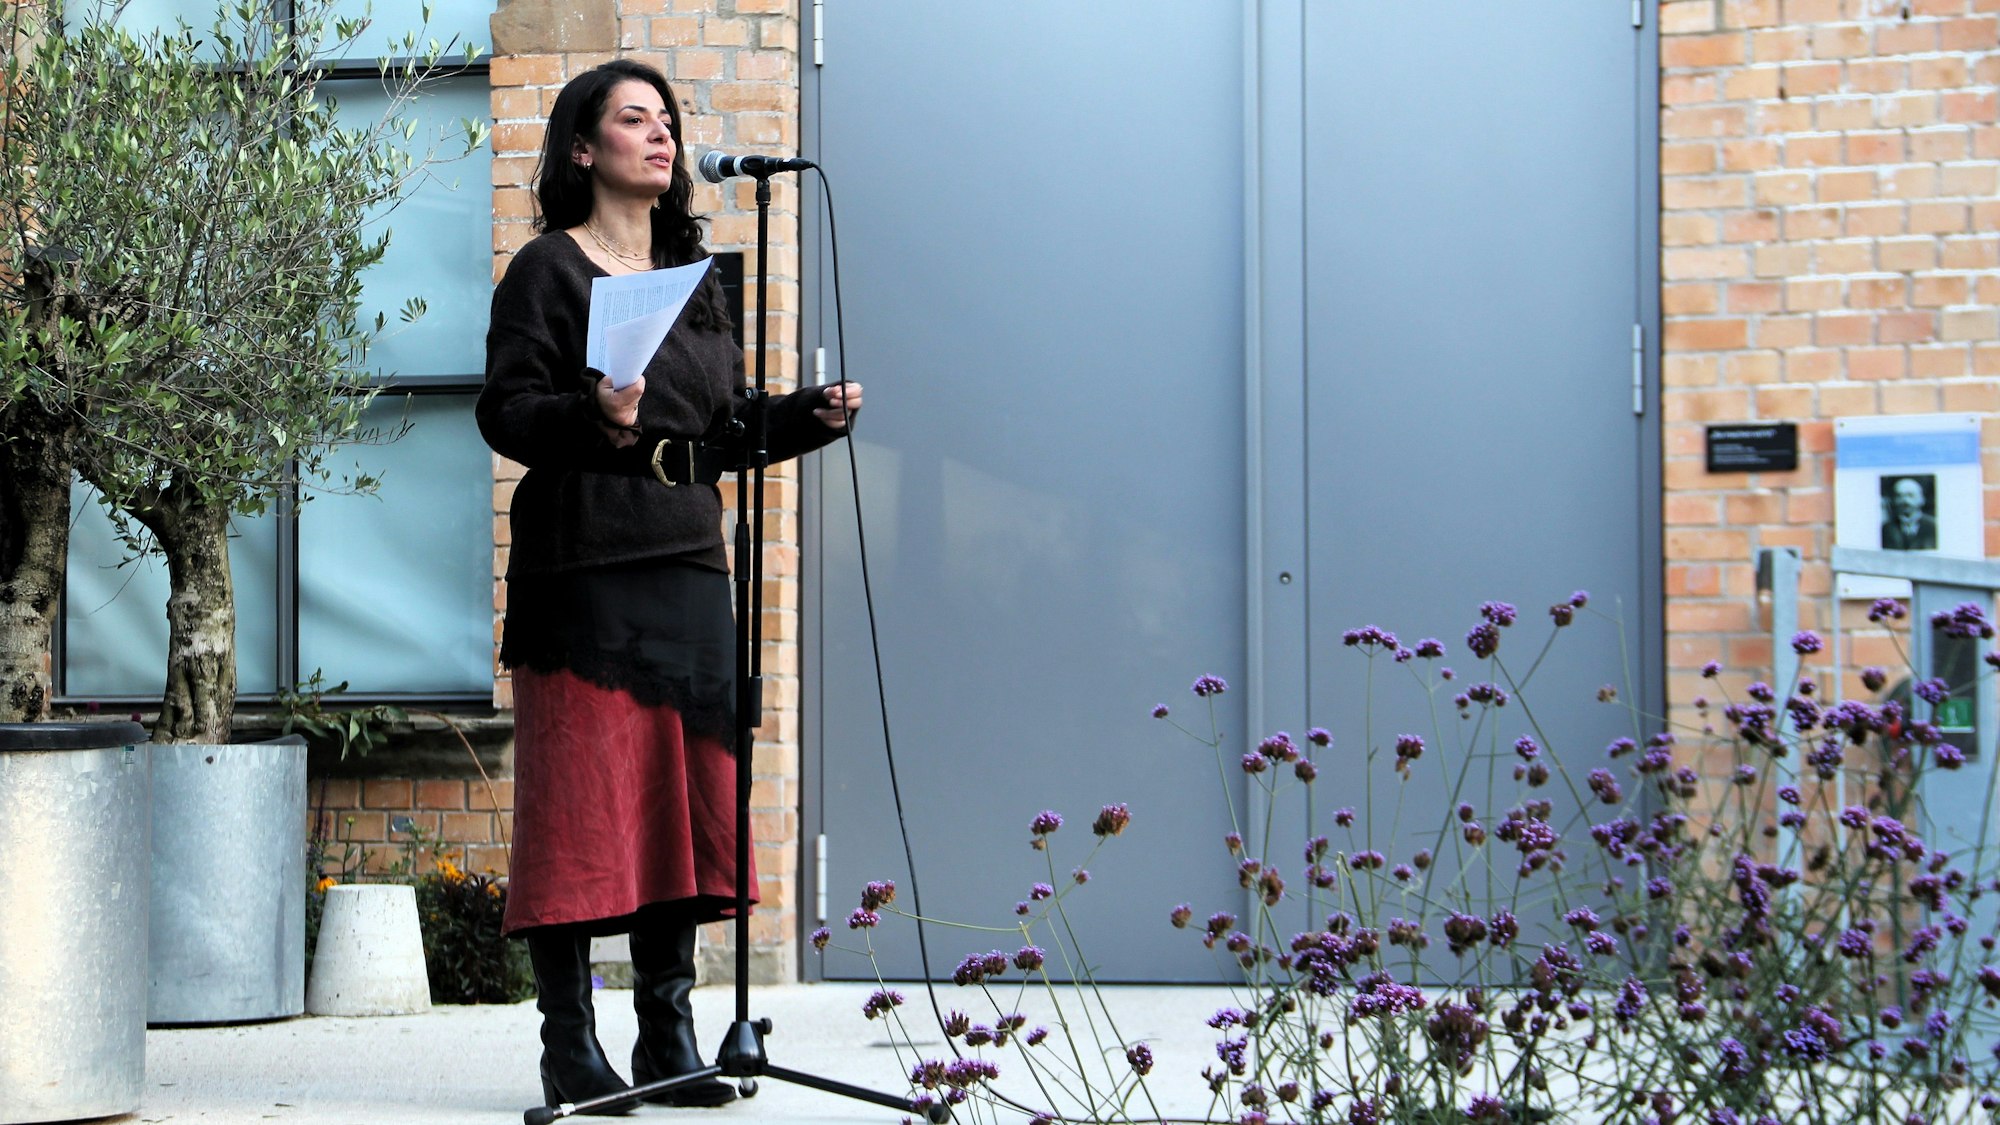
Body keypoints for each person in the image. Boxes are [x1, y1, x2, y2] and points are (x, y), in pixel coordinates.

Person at [477, 58, 860, 1114]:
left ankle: (668, 1036)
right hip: (584, 569)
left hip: (689, 564)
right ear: (582, 147)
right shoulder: (547, 270)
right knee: (580, 809)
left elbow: (722, 429)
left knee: (680, 808)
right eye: (634, 118)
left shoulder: (694, 277)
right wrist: (594, 413)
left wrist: (805, 417)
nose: (661, 135)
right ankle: (569, 1047)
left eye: (668, 121)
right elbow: (506, 412)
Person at [1881, 476, 1937, 551]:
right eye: (1899, 496)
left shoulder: (1934, 526)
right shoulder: (1886, 529)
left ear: (1922, 499)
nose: (1905, 500)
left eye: (1910, 495)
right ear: (1894, 500)